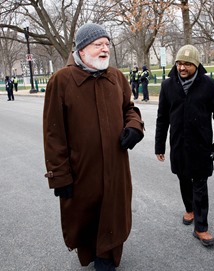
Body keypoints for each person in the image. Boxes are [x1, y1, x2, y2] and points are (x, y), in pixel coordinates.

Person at [43, 23, 144, 271]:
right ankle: (94, 254)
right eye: (98, 44)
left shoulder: (116, 77)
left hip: (116, 167)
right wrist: (60, 177)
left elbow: (129, 109)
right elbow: (53, 134)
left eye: (107, 44)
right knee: (88, 217)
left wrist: (134, 127)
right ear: (82, 49)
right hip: (82, 171)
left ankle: (106, 258)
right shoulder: (61, 80)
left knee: (114, 213)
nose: (104, 49)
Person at [155, 44, 214, 247]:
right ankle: (189, 209)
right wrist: (159, 146)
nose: (182, 68)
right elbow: (162, 119)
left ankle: (201, 228)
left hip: (201, 146)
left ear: (196, 64)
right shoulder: (167, 86)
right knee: (183, 179)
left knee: (200, 185)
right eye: (179, 63)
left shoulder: (210, 85)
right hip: (178, 144)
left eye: (187, 64)